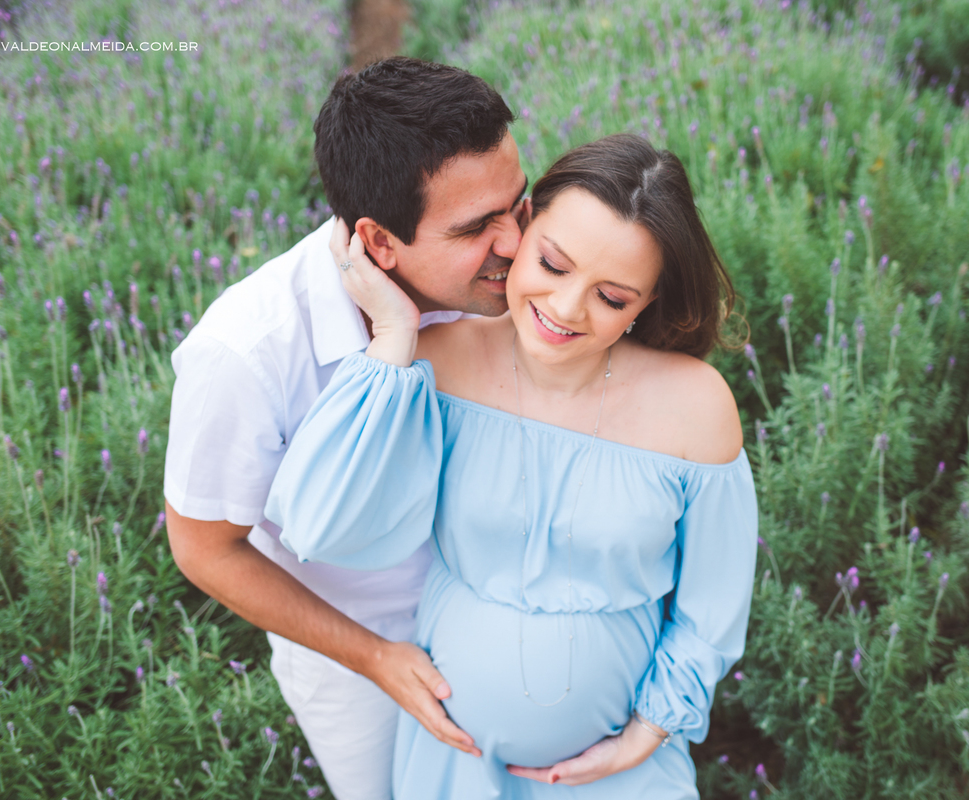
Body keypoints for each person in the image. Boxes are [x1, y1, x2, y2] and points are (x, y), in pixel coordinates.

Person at [267, 133, 759, 797]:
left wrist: (650, 731)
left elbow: (714, 601)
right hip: (454, 762)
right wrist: (393, 337)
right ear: (521, 227)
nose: (564, 309)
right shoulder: (440, 363)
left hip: (621, 770)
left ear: (647, 302)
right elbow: (320, 523)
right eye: (553, 265)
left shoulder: (697, 407)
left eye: (612, 298)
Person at [162, 57, 528, 800]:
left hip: (506, 613)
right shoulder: (246, 350)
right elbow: (204, 548)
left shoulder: (510, 282)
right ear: (379, 242)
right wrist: (375, 658)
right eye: (476, 227)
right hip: (358, 654)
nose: (518, 245)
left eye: (518, 205)